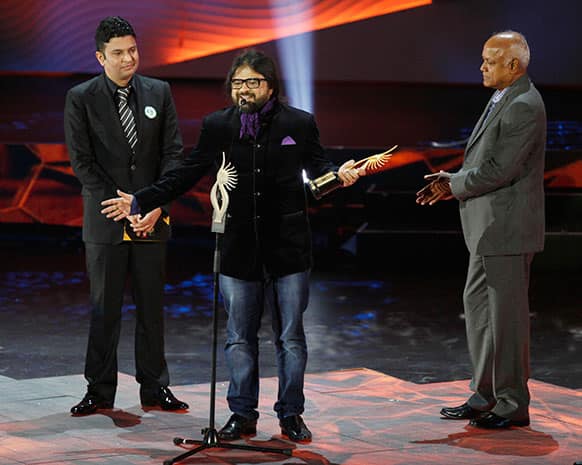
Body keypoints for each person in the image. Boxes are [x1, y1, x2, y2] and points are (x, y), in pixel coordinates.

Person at [100, 49, 363, 441]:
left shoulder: (298, 123)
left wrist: (339, 176)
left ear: (270, 85)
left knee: (290, 338)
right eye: (238, 83)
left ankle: (291, 413)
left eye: (253, 82)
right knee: (239, 337)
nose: (244, 89)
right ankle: (242, 414)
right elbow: (187, 173)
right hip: (238, 249)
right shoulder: (218, 125)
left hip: (288, 250)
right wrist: (143, 199)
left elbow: (319, 170)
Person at [416, 31, 546, 429]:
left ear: (514, 64)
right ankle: (485, 393)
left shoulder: (524, 104)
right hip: (488, 230)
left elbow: (499, 170)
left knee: (505, 318)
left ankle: (511, 402)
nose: (482, 66)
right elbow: (486, 162)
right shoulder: (504, 96)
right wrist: (451, 179)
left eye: (490, 60)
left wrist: (453, 184)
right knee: (480, 312)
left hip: (505, 229)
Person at [64, 16, 188, 415]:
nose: (127, 58)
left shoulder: (159, 91)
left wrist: (154, 204)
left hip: (151, 217)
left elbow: (173, 154)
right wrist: (121, 204)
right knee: (105, 309)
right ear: (101, 57)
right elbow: (82, 161)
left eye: (132, 50)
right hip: (106, 220)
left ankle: (155, 388)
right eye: (117, 53)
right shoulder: (81, 97)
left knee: (152, 308)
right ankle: (99, 391)